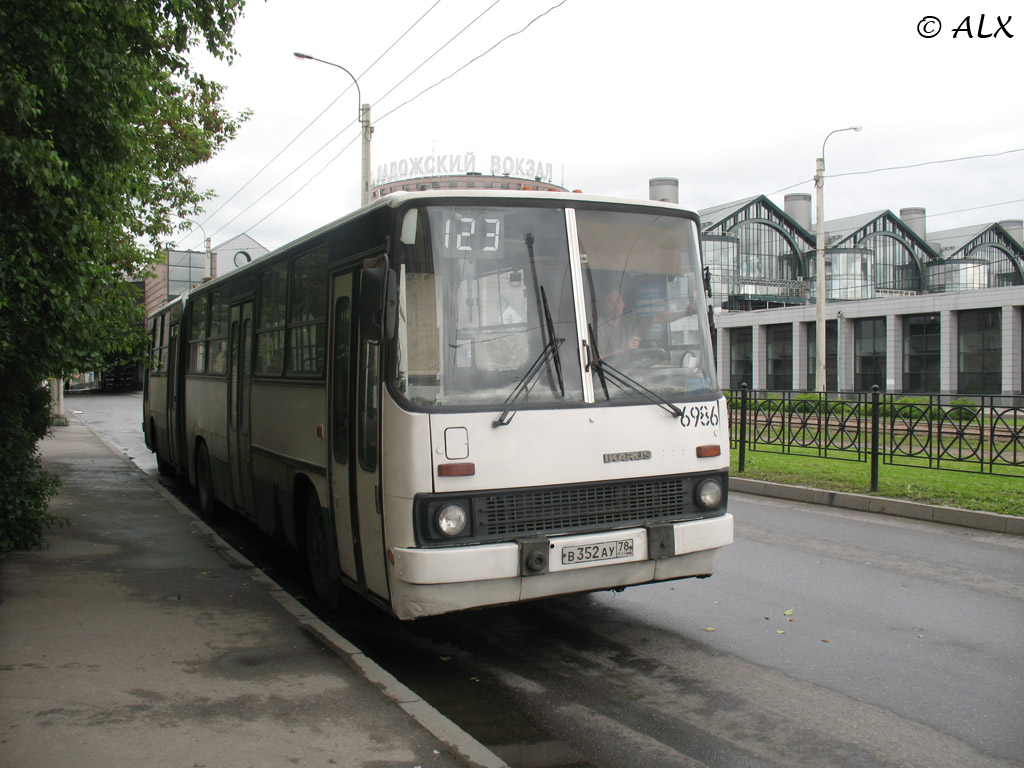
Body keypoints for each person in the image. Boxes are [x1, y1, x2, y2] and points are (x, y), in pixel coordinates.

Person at [598, 289, 696, 358]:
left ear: (623, 304)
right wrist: (624, 349)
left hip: (631, 374)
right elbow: (596, 359)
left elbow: (659, 318)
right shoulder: (599, 328)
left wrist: (685, 313)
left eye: (618, 300)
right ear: (603, 308)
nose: (616, 306)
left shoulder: (630, 321)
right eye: (610, 302)